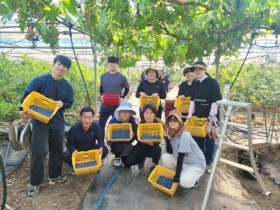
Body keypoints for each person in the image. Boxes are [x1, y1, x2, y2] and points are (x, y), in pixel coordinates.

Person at [19, 55, 74, 197]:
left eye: (65, 67)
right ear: (54, 64)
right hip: (40, 123)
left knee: (57, 150)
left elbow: (69, 102)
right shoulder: (40, 81)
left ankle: (55, 174)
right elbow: (26, 96)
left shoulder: (67, 86)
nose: (61, 68)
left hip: (58, 123)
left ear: (67, 70)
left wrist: (63, 104)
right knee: (40, 151)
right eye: (60, 64)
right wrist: (21, 111)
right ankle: (35, 182)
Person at [187, 61, 222, 173]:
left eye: (200, 69)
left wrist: (211, 117)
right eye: (195, 69)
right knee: (198, 139)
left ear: (205, 69)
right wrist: (189, 114)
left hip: (210, 117)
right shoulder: (196, 83)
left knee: (209, 140)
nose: (197, 71)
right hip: (198, 117)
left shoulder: (212, 83)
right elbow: (192, 100)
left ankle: (207, 163)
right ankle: (200, 160)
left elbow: (215, 101)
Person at [162, 110, 206, 188]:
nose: (172, 122)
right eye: (170, 120)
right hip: (184, 163)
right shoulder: (172, 134)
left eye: (175, 120)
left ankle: (194, 180)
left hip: (195, 164)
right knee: (165, 157)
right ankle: (185, 173)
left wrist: (177, 175)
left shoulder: (184, 135)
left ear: (180, 122)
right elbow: (170, 152)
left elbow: (180, 157)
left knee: (183, 182)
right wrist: (167, 139)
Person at [63, 107, 109, 173]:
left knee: (104, 150)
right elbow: (69, 144)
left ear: (93, 118)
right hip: (78, 151)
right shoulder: (73, 129)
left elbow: (100, 139)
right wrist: (74, 150)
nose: (87, 120)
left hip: (91, 150)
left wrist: (101, 147)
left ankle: (93, 163)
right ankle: (75, 165)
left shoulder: (96, 127)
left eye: (90, 117)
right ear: (80, 117)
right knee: (66, 156)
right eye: (85, 117)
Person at [124, 103, 162, 173]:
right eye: (146, 113)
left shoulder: (158, 125)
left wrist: (153, 143)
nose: (148, 115)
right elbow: (136, 137)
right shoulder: (140, 124)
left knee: (158, 149)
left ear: (154, 114)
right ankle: (141, 159)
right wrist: (142, 140)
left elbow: (159, 140)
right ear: (143, 114)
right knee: (128, 163)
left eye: (150, 113)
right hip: (140, 147)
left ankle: (153, 165)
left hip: (152, 148)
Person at [99, 56, 130, 139]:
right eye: (110, 63)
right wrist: (102, 95)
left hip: (116, 106)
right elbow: (101, 88)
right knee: (101, 124)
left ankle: (114, 142)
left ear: (117, 65)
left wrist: (122, 97)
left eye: (114, 63)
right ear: (108, 65)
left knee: (116, 125)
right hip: (105, 105)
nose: (112, 65)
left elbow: (127, 88)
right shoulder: (103, 76)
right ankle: (101, 142)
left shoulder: (122, 77)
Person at [106, 101, 137, 167]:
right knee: (118, 146)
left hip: (127, 142)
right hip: (115, 142)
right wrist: (108, 138)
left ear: (130, 113)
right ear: (119, 112)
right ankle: (117, 157)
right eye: (122, 111)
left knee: (127, 163)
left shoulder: (133, 121)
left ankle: (132, 153)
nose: (125, 113)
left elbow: (136, 137)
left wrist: (133, 136)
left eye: (127, 111)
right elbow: (108, 135)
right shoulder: (113, 121)